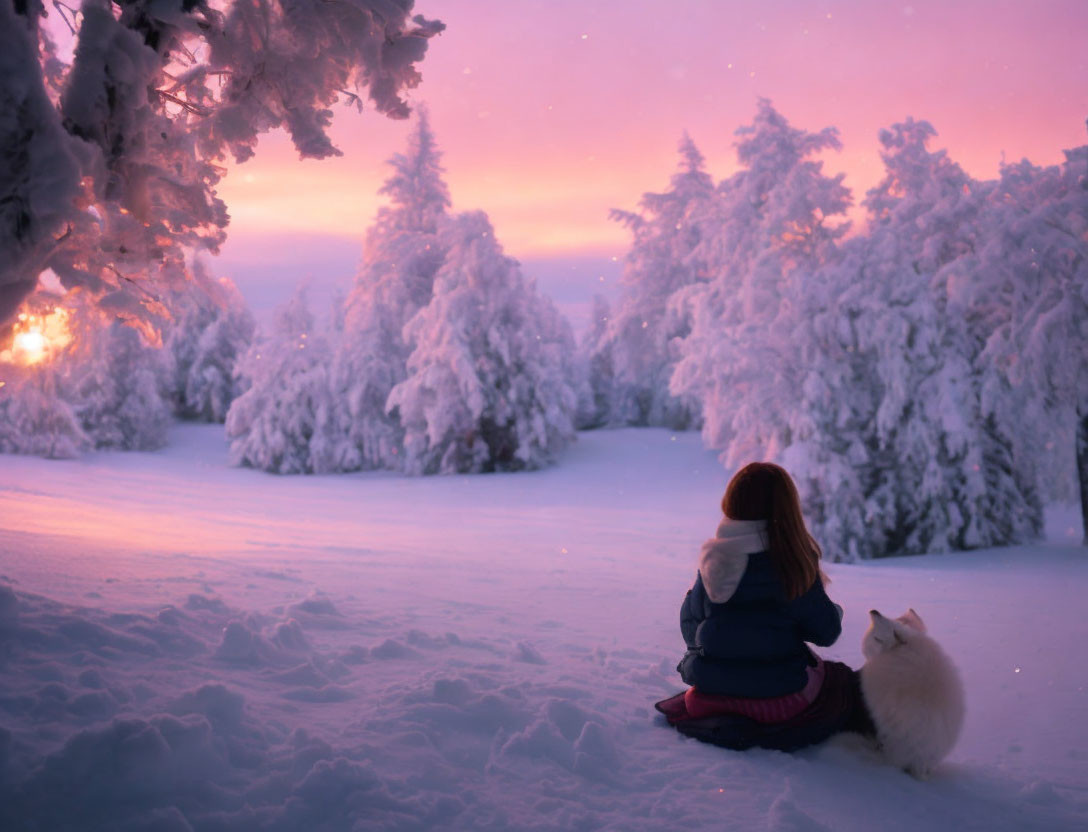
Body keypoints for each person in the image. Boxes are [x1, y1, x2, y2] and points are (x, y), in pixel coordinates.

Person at [655, 462, 874, 750]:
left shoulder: (714, 561)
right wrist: (833, 610)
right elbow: (826, 632)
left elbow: (690, 626)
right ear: (786, 510)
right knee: (840, 682)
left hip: (708, 699)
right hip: (779, 702)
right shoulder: (791, 564)